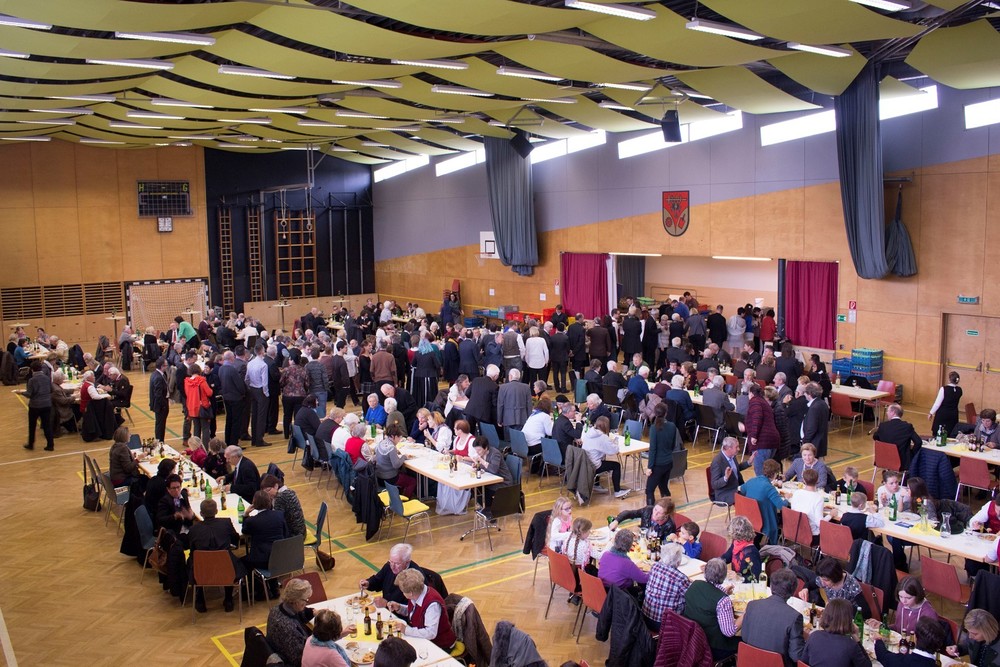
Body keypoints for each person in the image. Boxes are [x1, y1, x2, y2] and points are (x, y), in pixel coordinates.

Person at [187, 498, 243, 613]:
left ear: (201, 513)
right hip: (225, 566)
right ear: (217, 511)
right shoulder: (226, 523)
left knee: (191, 562)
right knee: (231, 559)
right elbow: (236, 538)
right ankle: (228, 599)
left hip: (202, 568)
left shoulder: (193, 529)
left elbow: (192, 549)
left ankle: (200, 599)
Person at [741, 568, 806, 667]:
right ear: (793, 591)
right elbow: (796, 656)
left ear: (771, 586)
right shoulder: (794, 617)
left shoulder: (752, 605)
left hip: (749, 662)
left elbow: (745, 637)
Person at [682, 557, 741, 660]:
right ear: (724, 576)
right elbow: (729, 632)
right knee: (744, 640)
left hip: (691, 639)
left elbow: (708, 596)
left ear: (705, 572)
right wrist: (746, 613)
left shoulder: (695, 585)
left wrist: (723, 591)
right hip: (712, 647)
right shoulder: (723, 600)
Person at [386, 568, 456, 651]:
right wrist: (399, 608)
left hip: (440, 646)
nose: (402, 593)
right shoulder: (418, 593)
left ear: (410, 593)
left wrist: (406, 630)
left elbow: (431, 633)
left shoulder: (432, 605)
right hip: (425, 640)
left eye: (403, 591)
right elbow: (415, 612)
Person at [800, 598, 872, 667]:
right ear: (848, 620)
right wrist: (857, 639)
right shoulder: (850, 645)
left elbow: (803, 662)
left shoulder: (814, 636)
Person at [796, 558, 869, 617]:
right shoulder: (824, 579)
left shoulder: (851, 585)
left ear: (835, 577)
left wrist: (839, 608)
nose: (822, 583)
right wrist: (805, 589)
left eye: (826, 580)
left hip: (845, 618)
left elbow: (866, 612)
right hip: (831, 615)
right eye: (821, 579)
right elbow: (811, 584)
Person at [267, 578, 315, 666]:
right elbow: (300, 659)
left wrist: (314, 612)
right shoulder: (288, 628)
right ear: (296, 601)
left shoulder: (278, 609)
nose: (307, 603)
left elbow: (298, 614)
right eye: (306, 600)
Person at [740, 458, 789, 545]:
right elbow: (781, 506)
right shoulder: (769, 488)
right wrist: (786, 498)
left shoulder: (752, 480)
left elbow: (742, 490)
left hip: (750, 516)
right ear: (775, 474)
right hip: (765, 519)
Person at [642, 542, 689, 630]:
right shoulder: (681, 578)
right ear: (678, 562)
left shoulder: (655, 567)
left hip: (646, 616)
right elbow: (690, 597)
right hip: (665, 624)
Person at [361, 543, 426, 607]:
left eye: (397, 563)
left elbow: (414, 608)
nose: (392, 566)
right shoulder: (389, 566)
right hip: (385, 608)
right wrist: (368, 583)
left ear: (407, 562)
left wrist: (387, 604)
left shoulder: (415, 578)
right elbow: (378, 580)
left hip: (398, 612)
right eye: (391, 561)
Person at [581, 416, 630, 499]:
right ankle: (617, 491)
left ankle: (596, 484)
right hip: (594, 466)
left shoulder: (589, 432)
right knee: (616, 465)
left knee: (601, 459)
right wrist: (614, 443)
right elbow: (613, 451)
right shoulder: (603, 437)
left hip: (586, 463)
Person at [876, 615, 946, 667]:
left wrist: (878, 640)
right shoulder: (934, 664)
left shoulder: (901, 661)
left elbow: (883, 655)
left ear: (915, 638)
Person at [472, 435, 513, 519]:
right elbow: (485, 467)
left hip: (503, 482)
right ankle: (488, 509)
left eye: (479, 450)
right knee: (474, 489)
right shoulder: (483, 453)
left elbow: (493, 470)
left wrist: (481, 460)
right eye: (476, 450)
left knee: (483, 490)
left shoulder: (495, 453)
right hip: (493, 480)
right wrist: (477, 466)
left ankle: (491, 513)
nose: (477, 452)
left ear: (486, 448)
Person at [873, 404, 923, 470]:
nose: (887, 413)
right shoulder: (907, 427)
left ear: (893, 412)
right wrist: (912, 453)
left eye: (888, 411)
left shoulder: (883, 426)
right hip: (902, 462)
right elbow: (918, 442)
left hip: (883, 459)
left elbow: (875, 437)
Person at [374, 422, 417, 499]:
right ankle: (404, 500)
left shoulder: (381, 442)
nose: (400, 439)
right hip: (389, 478)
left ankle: (398, 497)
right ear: (393, 436)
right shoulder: (391, 448)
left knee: (403, 474)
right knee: (412, 481)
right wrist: (404, 457)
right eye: (399, 437)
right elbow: (396, 465)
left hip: (379, 477)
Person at [745, 383, 780, 475]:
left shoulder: (755, 401)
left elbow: (757, 417)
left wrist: (754, 435)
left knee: (760, 473)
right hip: (772, 441)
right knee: (769, 473)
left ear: (751, 393)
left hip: (762, 442)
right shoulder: (764, 402)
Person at [609, 497, 677, 541]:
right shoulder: (648, 510)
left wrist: (668, 539)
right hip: (641, 541)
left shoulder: (670, 525)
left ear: (666, 515)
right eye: (655, 509)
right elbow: (629, 513)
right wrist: (616, 521)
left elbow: (667, 543)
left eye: (659, 513)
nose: (655, 514)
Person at [22, 361, 54, 451]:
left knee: (32, 425)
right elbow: (51, 389)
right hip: (47, 404)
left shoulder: (32, 380)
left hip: (35, 406)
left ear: (32, 370)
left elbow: (29, 394)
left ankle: (31, 444)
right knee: (47, 425)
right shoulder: (47, 378)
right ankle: (50, 445)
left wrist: (21, 393)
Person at [562, 517, 595, 604]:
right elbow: (599, 555)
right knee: (597, 572)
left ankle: (575, 593)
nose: (590, 533)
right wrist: (610, 544)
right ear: (583, 533)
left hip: (570, 572)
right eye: (589, 531)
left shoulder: (567, 540)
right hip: (582, 574)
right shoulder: (585, 545)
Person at [710, 437, 749, 505]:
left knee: (754, 491)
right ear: (729, 448)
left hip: (736, 487)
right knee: (747, 499)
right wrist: (725, 478)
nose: (739, 449)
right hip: (724, 493)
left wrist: (748, 462)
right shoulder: (717, 462)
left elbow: (736, 469)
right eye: (736, 447)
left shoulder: (732, 456)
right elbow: (714, 485)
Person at [722, 515, 762, 582]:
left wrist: (739, 578)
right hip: (735, 582)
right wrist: (713, 564)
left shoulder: (751, 552)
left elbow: (755, 578)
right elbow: (726, 557)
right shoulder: (737, 543)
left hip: (746, 585)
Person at [790, 468, 826, 540]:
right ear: (817, 480)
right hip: (811, 535)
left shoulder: (797, 493)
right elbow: (820, 524)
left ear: (804, 480)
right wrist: (831, 515)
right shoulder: (818, 498)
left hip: (795, 531)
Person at [928, 371, 962, 437]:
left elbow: (937, 403)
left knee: (939, 433)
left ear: (949, 379)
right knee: (951, 433)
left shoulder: (944, 389)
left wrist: (931, 412)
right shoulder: (959, 390)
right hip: (953, 414)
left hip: (943, 414)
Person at [802, 382, 830, 458]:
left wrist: (805, 442)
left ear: (809, 394)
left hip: (813, 444)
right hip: (820, 443)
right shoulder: (822, 403)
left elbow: (811, 428)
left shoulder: (814, 408)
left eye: (805, 392)